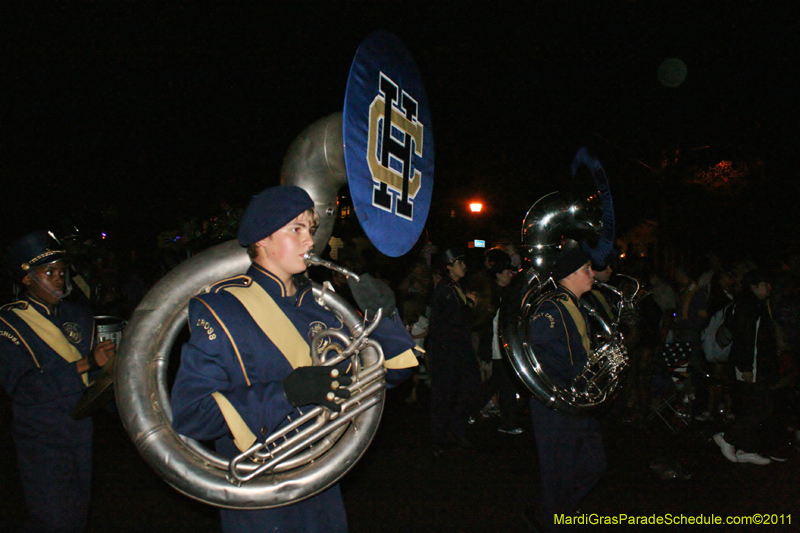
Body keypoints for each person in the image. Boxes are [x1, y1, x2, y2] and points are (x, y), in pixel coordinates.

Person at [169, 185, 417, 533]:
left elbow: (383, 377)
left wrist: (384, 317)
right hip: (260, 495)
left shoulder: (323, 309)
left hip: (321, 482)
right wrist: (286, 393)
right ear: (262, 240)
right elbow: (191, 415)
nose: (310, 241)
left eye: (311, 230)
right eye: (296, 229)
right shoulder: (223, 309)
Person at [0, 231, 115, 533]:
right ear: (26, 279)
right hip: (42, 436)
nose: (58, 279)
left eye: (61, 272)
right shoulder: (9, 323)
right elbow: (24, 390)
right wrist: (86, 363)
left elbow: (97, 380)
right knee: (52, 520)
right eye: (48, 272)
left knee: (76, 517)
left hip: (81, 430)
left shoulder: (78, 315)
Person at [525, 247, 606, 532]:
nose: (592, 273)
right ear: (570, 275)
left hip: (577, 399)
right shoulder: (552, 307)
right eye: (586, 269)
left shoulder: (575, 304)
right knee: (557, 470)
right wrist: (576, 377)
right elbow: (541, 351)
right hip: (557, 401)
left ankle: (554, 509)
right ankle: (553, 518)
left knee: (593, 464)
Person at [713, 270, 784, 465]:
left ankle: (746, 447)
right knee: (761, 405)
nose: (768, 288)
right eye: (764, 284)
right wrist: (746, 366)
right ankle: (728, 437)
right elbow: (747, 338)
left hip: (757, 364)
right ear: (753, 286)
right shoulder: (749, 306)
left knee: (753, 405)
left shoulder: (756, 305)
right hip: (750, 365)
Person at [427, 246, 482, 455]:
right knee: (444, 394)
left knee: (465, 389)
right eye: (459, 263)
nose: (464, 266)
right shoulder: (445, 289)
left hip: (457, 351)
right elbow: (455, 320)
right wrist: (469, 303)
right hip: (447, 352)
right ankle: (440, 438)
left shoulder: (454, 287)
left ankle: (454, 430)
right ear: (449, 267)